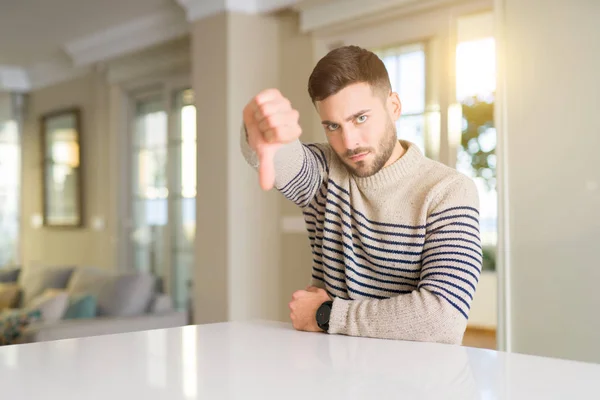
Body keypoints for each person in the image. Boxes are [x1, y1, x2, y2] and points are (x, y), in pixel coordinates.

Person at [241, 45, 481, 344]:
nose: (349, 142)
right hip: (336, 377)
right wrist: (259, 132)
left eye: (360, 118)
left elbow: (443, 319)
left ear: (393, 106)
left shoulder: (448, 191)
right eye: (333, 126)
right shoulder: (325, 173)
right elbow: (282, 160)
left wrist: (326, 314)